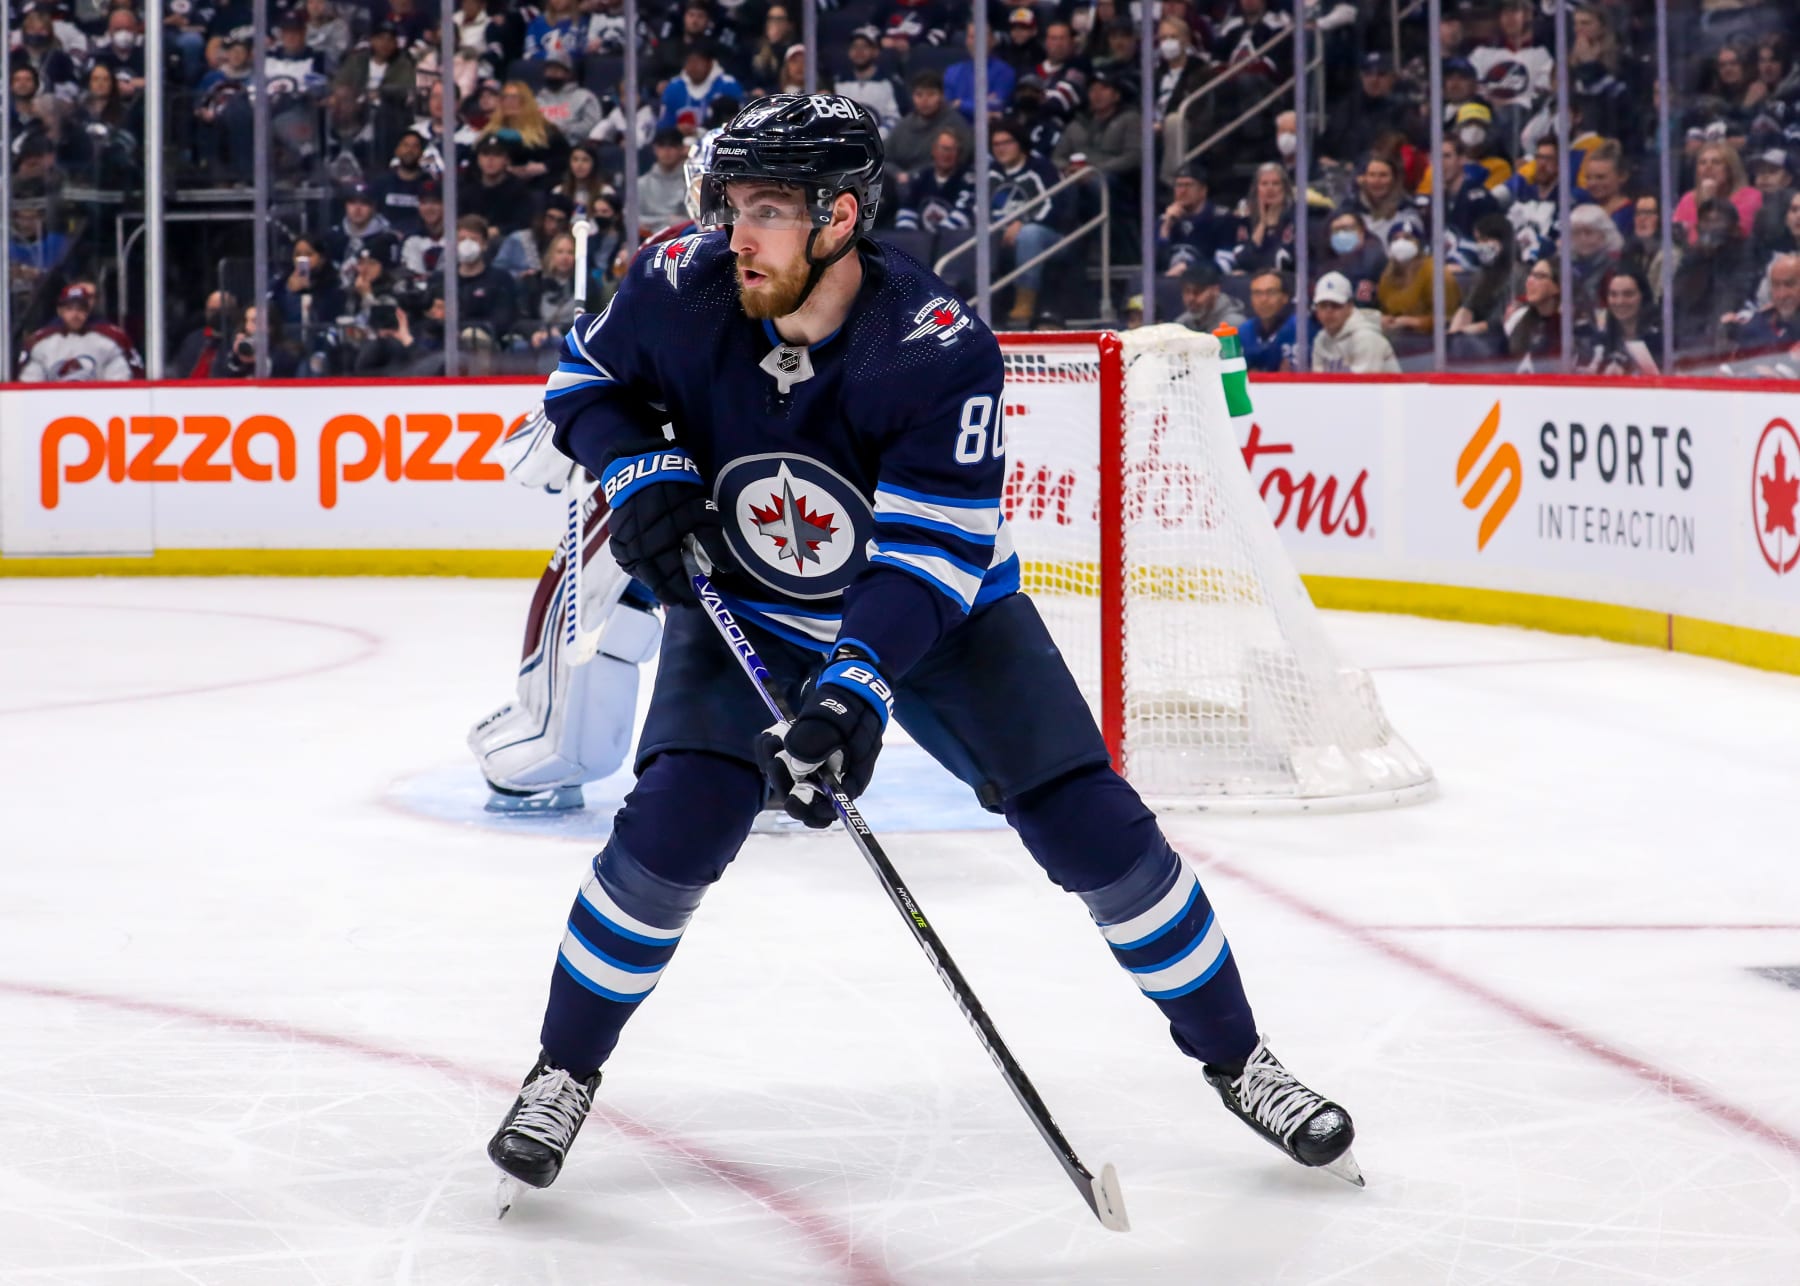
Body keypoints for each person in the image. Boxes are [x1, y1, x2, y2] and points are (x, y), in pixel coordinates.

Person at [486, 91, 1361, 1199]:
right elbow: (580, 385)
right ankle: (563, 1070)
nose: (734, 234)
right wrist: (637, 466)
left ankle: (1242, 1059)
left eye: (765, 209)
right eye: (728, 205)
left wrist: (854, 689)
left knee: (1100, 836)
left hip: (945, 624)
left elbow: (926, 564)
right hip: (747, 610)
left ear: (841, 217)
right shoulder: (678, 284)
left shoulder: (935, 349)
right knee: (665, 840)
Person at [20, 281, 142, 382]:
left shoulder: (108, 341)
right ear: (60, 311)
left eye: (80, 309)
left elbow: (120, 382)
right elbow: (29, 383)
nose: (75, 315)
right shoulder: (41, 343)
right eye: (69, 309)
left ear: (88, 311)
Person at [885, 71, 971, 187]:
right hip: (900, 182)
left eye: (931, 94)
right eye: (919, 95)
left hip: (941, 184)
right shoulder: (904, 125)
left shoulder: (955, 124)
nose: (924, 100)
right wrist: (898, 174)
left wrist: (912, 175)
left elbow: (960, 160)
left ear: (941, 96)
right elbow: (883, 158)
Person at [1577, 266, 1662, 376]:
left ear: (1643, 297)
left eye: (1628, 294)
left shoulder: (1662, 341)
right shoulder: (1599, 342)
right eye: (1613, 294)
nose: (1620, 301)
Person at [1309, 271, 1399, 373]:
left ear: (1350, 306)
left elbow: (1362, 387)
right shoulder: (1321, 339)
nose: (1329, 311)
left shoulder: (1367, 338)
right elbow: (1317, 385)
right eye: (1323, 305)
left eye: (1336, 305)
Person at [1157, 163, 1237, 275]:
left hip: (1205, 285)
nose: (1182, 191)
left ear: (1203, 191)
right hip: (1168, 285)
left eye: (1188, 185)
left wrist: (1188, 268)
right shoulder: (1164, 220)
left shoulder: (1221, 219)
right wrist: (1166, 228)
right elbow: (1153, 265)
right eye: (1179, 185)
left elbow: (1226, 264)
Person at [1729, 252, 1800, 369]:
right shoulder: (1755, 326)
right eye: (1776, 285)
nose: (1781, 295)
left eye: (1790, 285)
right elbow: (1733, 371)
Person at [658, 42, 743, 135]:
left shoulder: (728, 85)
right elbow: (663, 127)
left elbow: (737, 124)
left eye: (698, 61)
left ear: (710, 63)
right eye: (689, 61)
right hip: (680, 144)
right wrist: (676, 130)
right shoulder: (673, 88)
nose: (693, 66)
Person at [834, 28, 903, 136]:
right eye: (854, 47)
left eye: (864, 47)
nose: (859, 51)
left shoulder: (888, 83)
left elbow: (894, 118)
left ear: (875, 51)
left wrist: (877, 136)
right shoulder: (838, 83)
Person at [945, 23, 1015, 120]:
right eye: (972, 37)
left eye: (981, 36)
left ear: (993, 41)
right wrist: (981, 105)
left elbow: (996, 106)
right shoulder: (952, 72)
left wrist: (961, 104)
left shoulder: (1005, 72)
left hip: (991, 130)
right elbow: (947, 108)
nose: (976, 41)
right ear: (966, 41)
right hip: (957, 130)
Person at [1502, 257, 1562, 366]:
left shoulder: (1569, 327)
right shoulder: (1518, 317)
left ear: (1558, 286)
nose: (1529, 281)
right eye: (1531, 274)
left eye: (1539, 276)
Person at [1319, 210, 1386, 307]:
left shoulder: (1375, 261)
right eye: (1336, 230)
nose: (1342, 234)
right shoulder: (1324, 266)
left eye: (1347, 229)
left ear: (1361, 232)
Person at [1240, 270, 1300, 372]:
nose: (1264, 299)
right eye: (1257, 293)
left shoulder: (1299, 329)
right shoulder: (1244, 331)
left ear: (1285, 297)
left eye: (1271, 292)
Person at [537, 50, 602, 143]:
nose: (552, 74)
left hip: (572, 147)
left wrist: (564, 130)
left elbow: (593, 127)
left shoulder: (584, 96)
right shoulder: (537, 99)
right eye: (549, 70)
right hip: (540, 146)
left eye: (557, 70)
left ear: (568, 74)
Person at [638, 128, 692, 226]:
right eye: (662, 146)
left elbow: (696, 219)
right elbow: (631, 219)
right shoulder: (641, 184)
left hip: (682, 236)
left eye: (672, 145)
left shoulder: (690, 183)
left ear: (682, 149)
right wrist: (666, 221)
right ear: (655, 149)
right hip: (647, 237)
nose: (667, 151)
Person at [1175, 262, 1245, 334]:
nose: (1191, 298)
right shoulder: (1181, 324)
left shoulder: (1233, 324)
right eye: (1186, 292)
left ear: (1215, 290)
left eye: (1198, 291)